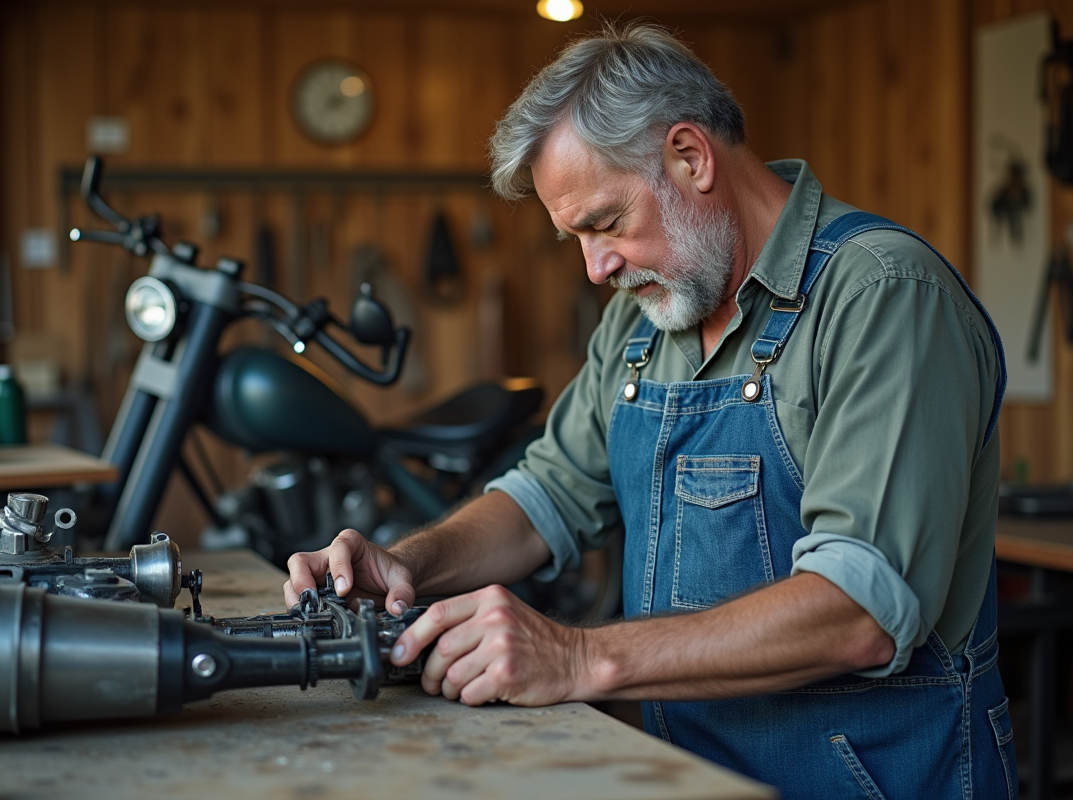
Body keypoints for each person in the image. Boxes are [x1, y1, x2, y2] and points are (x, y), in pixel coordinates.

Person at [285, 22, 1016, 799]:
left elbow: (860, 611)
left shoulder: (882, 299)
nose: (596, 267)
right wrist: (411, 564)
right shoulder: (646, 320)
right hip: (687, 772)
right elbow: (549, 496)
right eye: (574, 237)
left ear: (691, 157)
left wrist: (577, 657)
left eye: (604, 223)